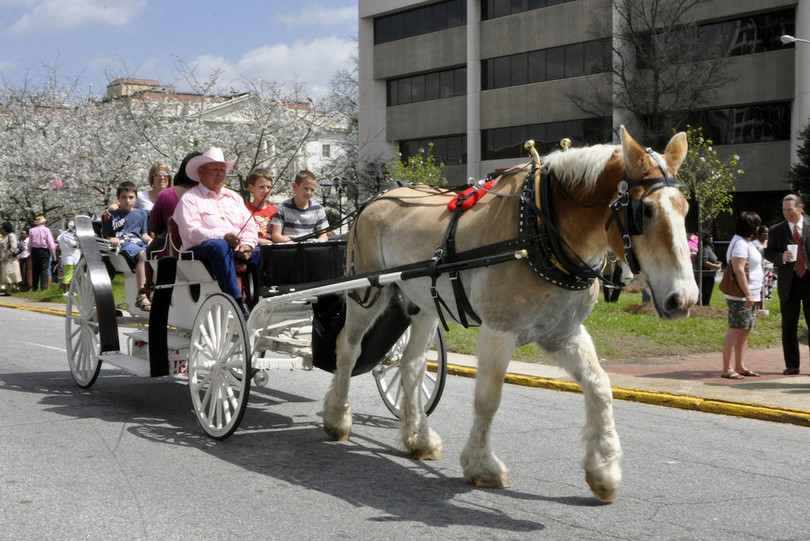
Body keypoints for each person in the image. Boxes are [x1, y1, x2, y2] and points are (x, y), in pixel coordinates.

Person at [173, 147, 259, 317]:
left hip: (235, 248)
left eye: (222, 170)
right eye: (215, 170)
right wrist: (224, 236)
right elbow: (192, 233)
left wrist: (247, 245)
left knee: (264, 252)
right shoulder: (190, 199)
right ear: (201, 172)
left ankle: (261, 298)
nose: (220, 174)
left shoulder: (234, 197)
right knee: (220, 246)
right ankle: (236, 301)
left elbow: (250, 226)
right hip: (201, 251)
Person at [764, 194, 810, 375]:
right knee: (789, 325)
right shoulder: (777, 230)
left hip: (808, 279)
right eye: (784, 210)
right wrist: (780, 257)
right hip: (789, 283)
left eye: (790, 209)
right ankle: (792, 364)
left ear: (800, 208)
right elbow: (768, 252)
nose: (787, 213)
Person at [721, 211, 763, 379]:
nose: (759, 228)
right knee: (735, 330)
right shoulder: (740, 244)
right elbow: (738, 269)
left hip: (750, 294)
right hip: (741, 296)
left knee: (744, 330)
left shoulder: (746, 242)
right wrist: (748, 294)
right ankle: (727, 368)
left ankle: (739, 365)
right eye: (757, 225)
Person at [102, 181, 152, 311]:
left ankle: (152, 290)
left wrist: (150, 240)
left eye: (131, 197)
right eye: (124, 197)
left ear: (136, 198)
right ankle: (141, 294)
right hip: (124, 243)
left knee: (155, 254)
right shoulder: (112, 215)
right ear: (118, 198)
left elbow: (144, 234)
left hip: (139, 242)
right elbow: (107, 235)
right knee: (143, 255)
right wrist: (112, 239)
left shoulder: (142, 214)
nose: (127, 200)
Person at [148, 151, 201, 258]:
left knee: (148, 254)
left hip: (172, 252)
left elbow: (154, 226)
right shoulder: (213, 195)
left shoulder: (166, 195)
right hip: (208, 248)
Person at [270, 170, 329, 243]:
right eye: (306, 188)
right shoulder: (283, 207)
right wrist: (290, 241)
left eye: (312, 190)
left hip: (310, 247)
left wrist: (319, 241)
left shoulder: (318, 209)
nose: (309, 192)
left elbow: (323, 235)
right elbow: (275, 235)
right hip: (290, 246)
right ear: (295, 186)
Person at [245, 168, 277, 245]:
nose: (266, 191)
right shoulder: (244, 210)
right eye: (262, 187)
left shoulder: (276, 210)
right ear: (251, 188)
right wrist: (259, 241)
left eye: (268, 187)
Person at [28, 216, 56, 291]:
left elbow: (30, 243)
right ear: (43, 222)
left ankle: (35, 287)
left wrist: (30, 251)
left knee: (35, 269)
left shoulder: (31, 230)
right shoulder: (46, 230)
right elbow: (50, 242)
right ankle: (43, 287)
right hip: (44, 250)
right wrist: (53, 252)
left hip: (34, 250)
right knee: (44, 269)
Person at [752, 225, 775, 313]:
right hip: (759, 268)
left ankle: (762, 308)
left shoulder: (769, 243)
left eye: (767, 232)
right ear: (760, 233)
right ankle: (756, 308)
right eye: (764, 232)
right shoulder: (754, 243)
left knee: (765, 290)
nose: (766, 234)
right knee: (760, 288)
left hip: (769, 267)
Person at [697, 230, 721, 306]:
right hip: (706, 276)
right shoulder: (704, 248)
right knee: (705, 295)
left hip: (710, 275)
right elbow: (704, 262)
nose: (712, 238)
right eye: (710, 236)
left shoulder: (708, 247)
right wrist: (716, 266)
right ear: (706, 238)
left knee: (708, 295)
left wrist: (717, 262)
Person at [56, 221, 81, 295]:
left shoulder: (62, 235)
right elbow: (74, 244)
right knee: (68, 274)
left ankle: (70, 291)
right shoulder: (67, 236)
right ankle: (65, 291)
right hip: (70, 257)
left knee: (70, 274)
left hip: (69, 256)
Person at [1, 222, 22, 295]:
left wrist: (7, 255)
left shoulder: (11, 236)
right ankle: (8, 289)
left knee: (13, 273)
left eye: (2, 228)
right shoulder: (6, 236)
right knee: (6, 274)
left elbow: (14, 247)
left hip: (11, 259)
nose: (1, 230)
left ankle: (17, 288)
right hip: (5, 258)